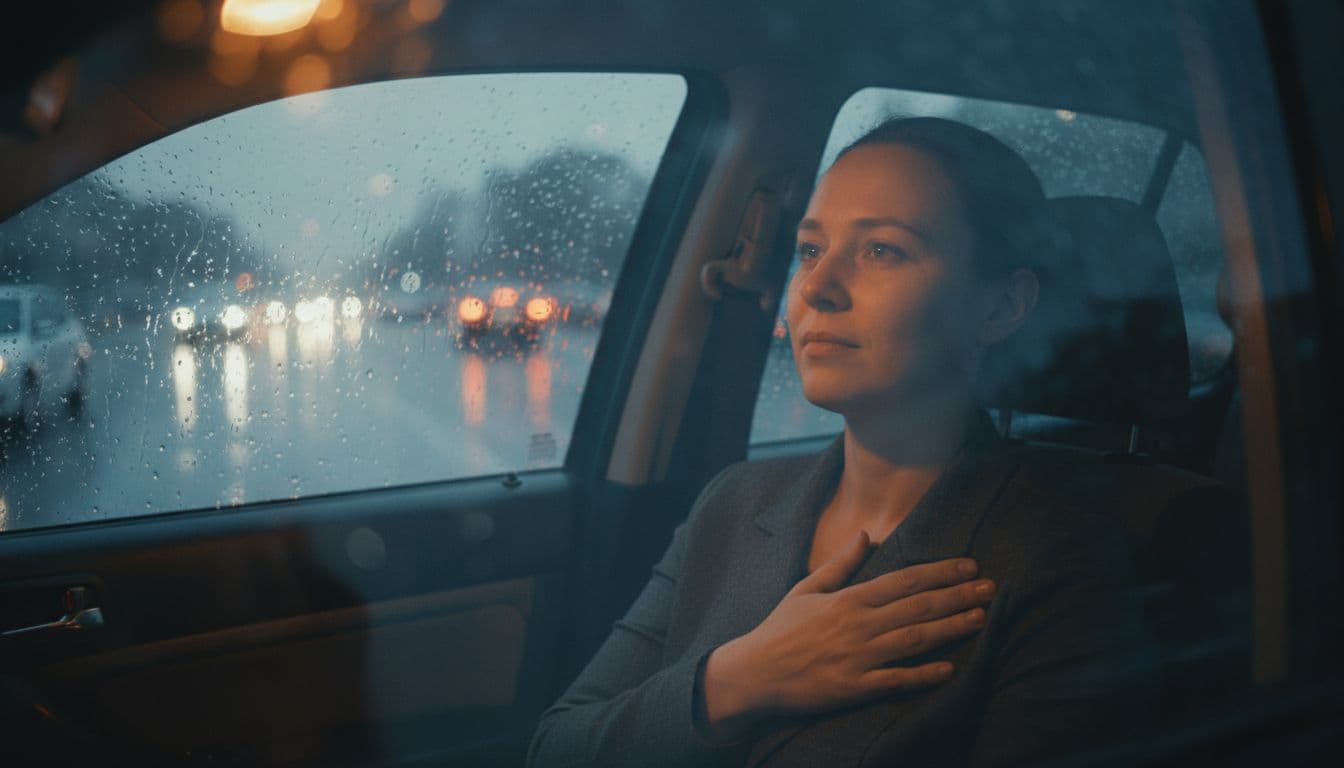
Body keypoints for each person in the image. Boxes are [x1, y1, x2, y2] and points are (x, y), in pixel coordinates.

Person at [528, 117, 1157, 767]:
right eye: (809, 250)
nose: (816, 289)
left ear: (999, 307)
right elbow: (555, 748)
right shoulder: (735, 502)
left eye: (882, 250)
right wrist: (736, 680)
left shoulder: (1057, 565)